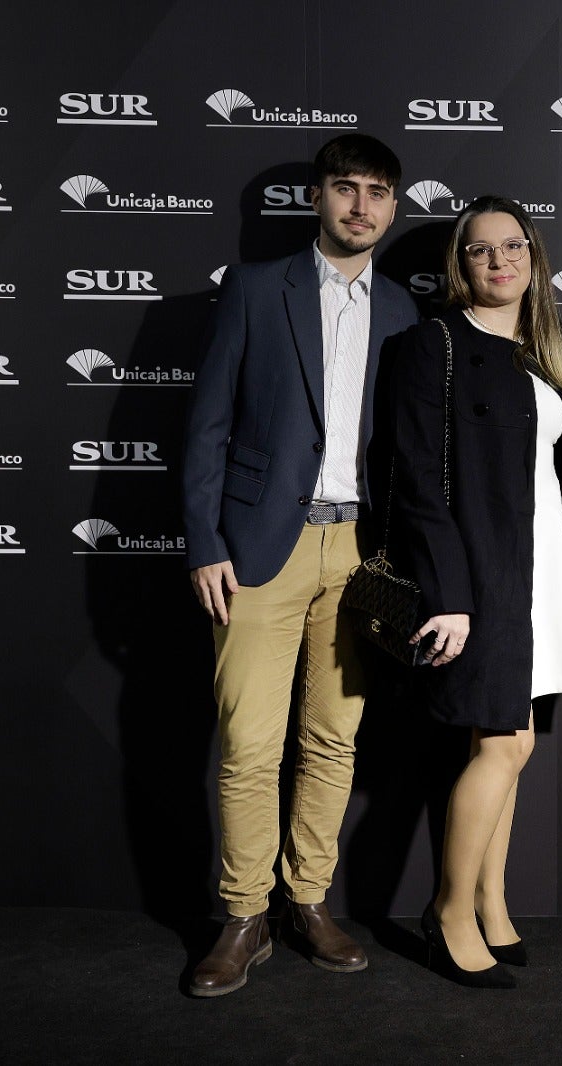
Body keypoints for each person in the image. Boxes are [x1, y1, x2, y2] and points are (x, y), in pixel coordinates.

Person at [181, 134, 415, 997]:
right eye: (347, 189)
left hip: (359, 553)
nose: (362, 206)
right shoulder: (251, 289)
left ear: (394, 207)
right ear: (318, 198)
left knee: (333, 738)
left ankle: (309, 901)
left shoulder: (401, 308)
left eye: (378, 192)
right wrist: (205, 541)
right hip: (258, 550)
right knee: (248, 742)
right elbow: (207, 424)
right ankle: (243, 916)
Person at [390, 196, 562, 988]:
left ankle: (492, 902)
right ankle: (447, 914)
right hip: (479, 578)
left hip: (541, 573)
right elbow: (416, 481)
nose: (499, 261)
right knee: (504, 743)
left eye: (513, 245)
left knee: (504, 746)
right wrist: (449, 594)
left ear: (533, 256)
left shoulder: (548, 351)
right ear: (462, 264)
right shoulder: (433, 344)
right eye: (481, 250)